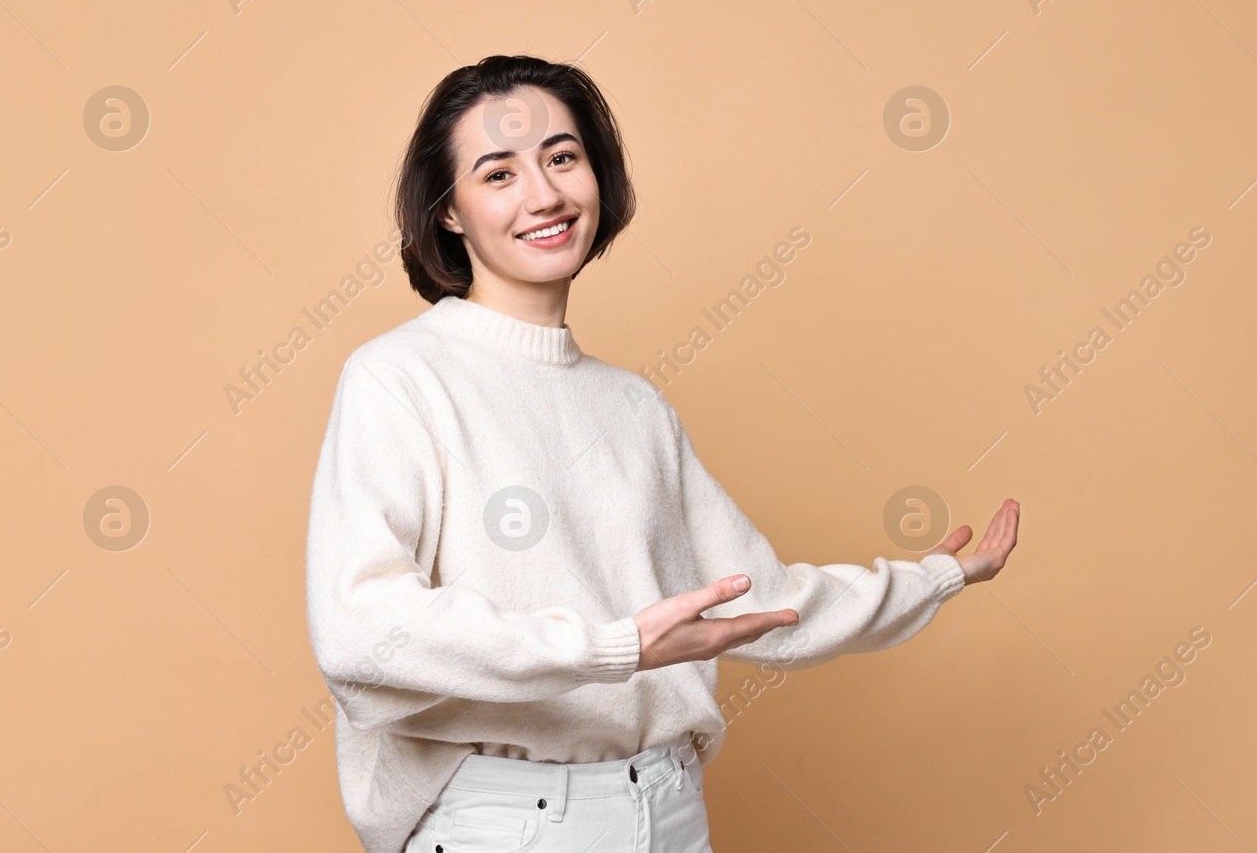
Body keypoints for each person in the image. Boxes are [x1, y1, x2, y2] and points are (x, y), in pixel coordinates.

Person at [305, 54, 1021, 853]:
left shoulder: (634, 407)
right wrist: (615, 648)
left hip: (669, 809)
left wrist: (937, 577)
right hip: (509, 822)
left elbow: (762, 603)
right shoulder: (398, 379)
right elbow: (361, 628)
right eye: (498, 174)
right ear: (448, 212)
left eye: (562, 158)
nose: (544, 194)